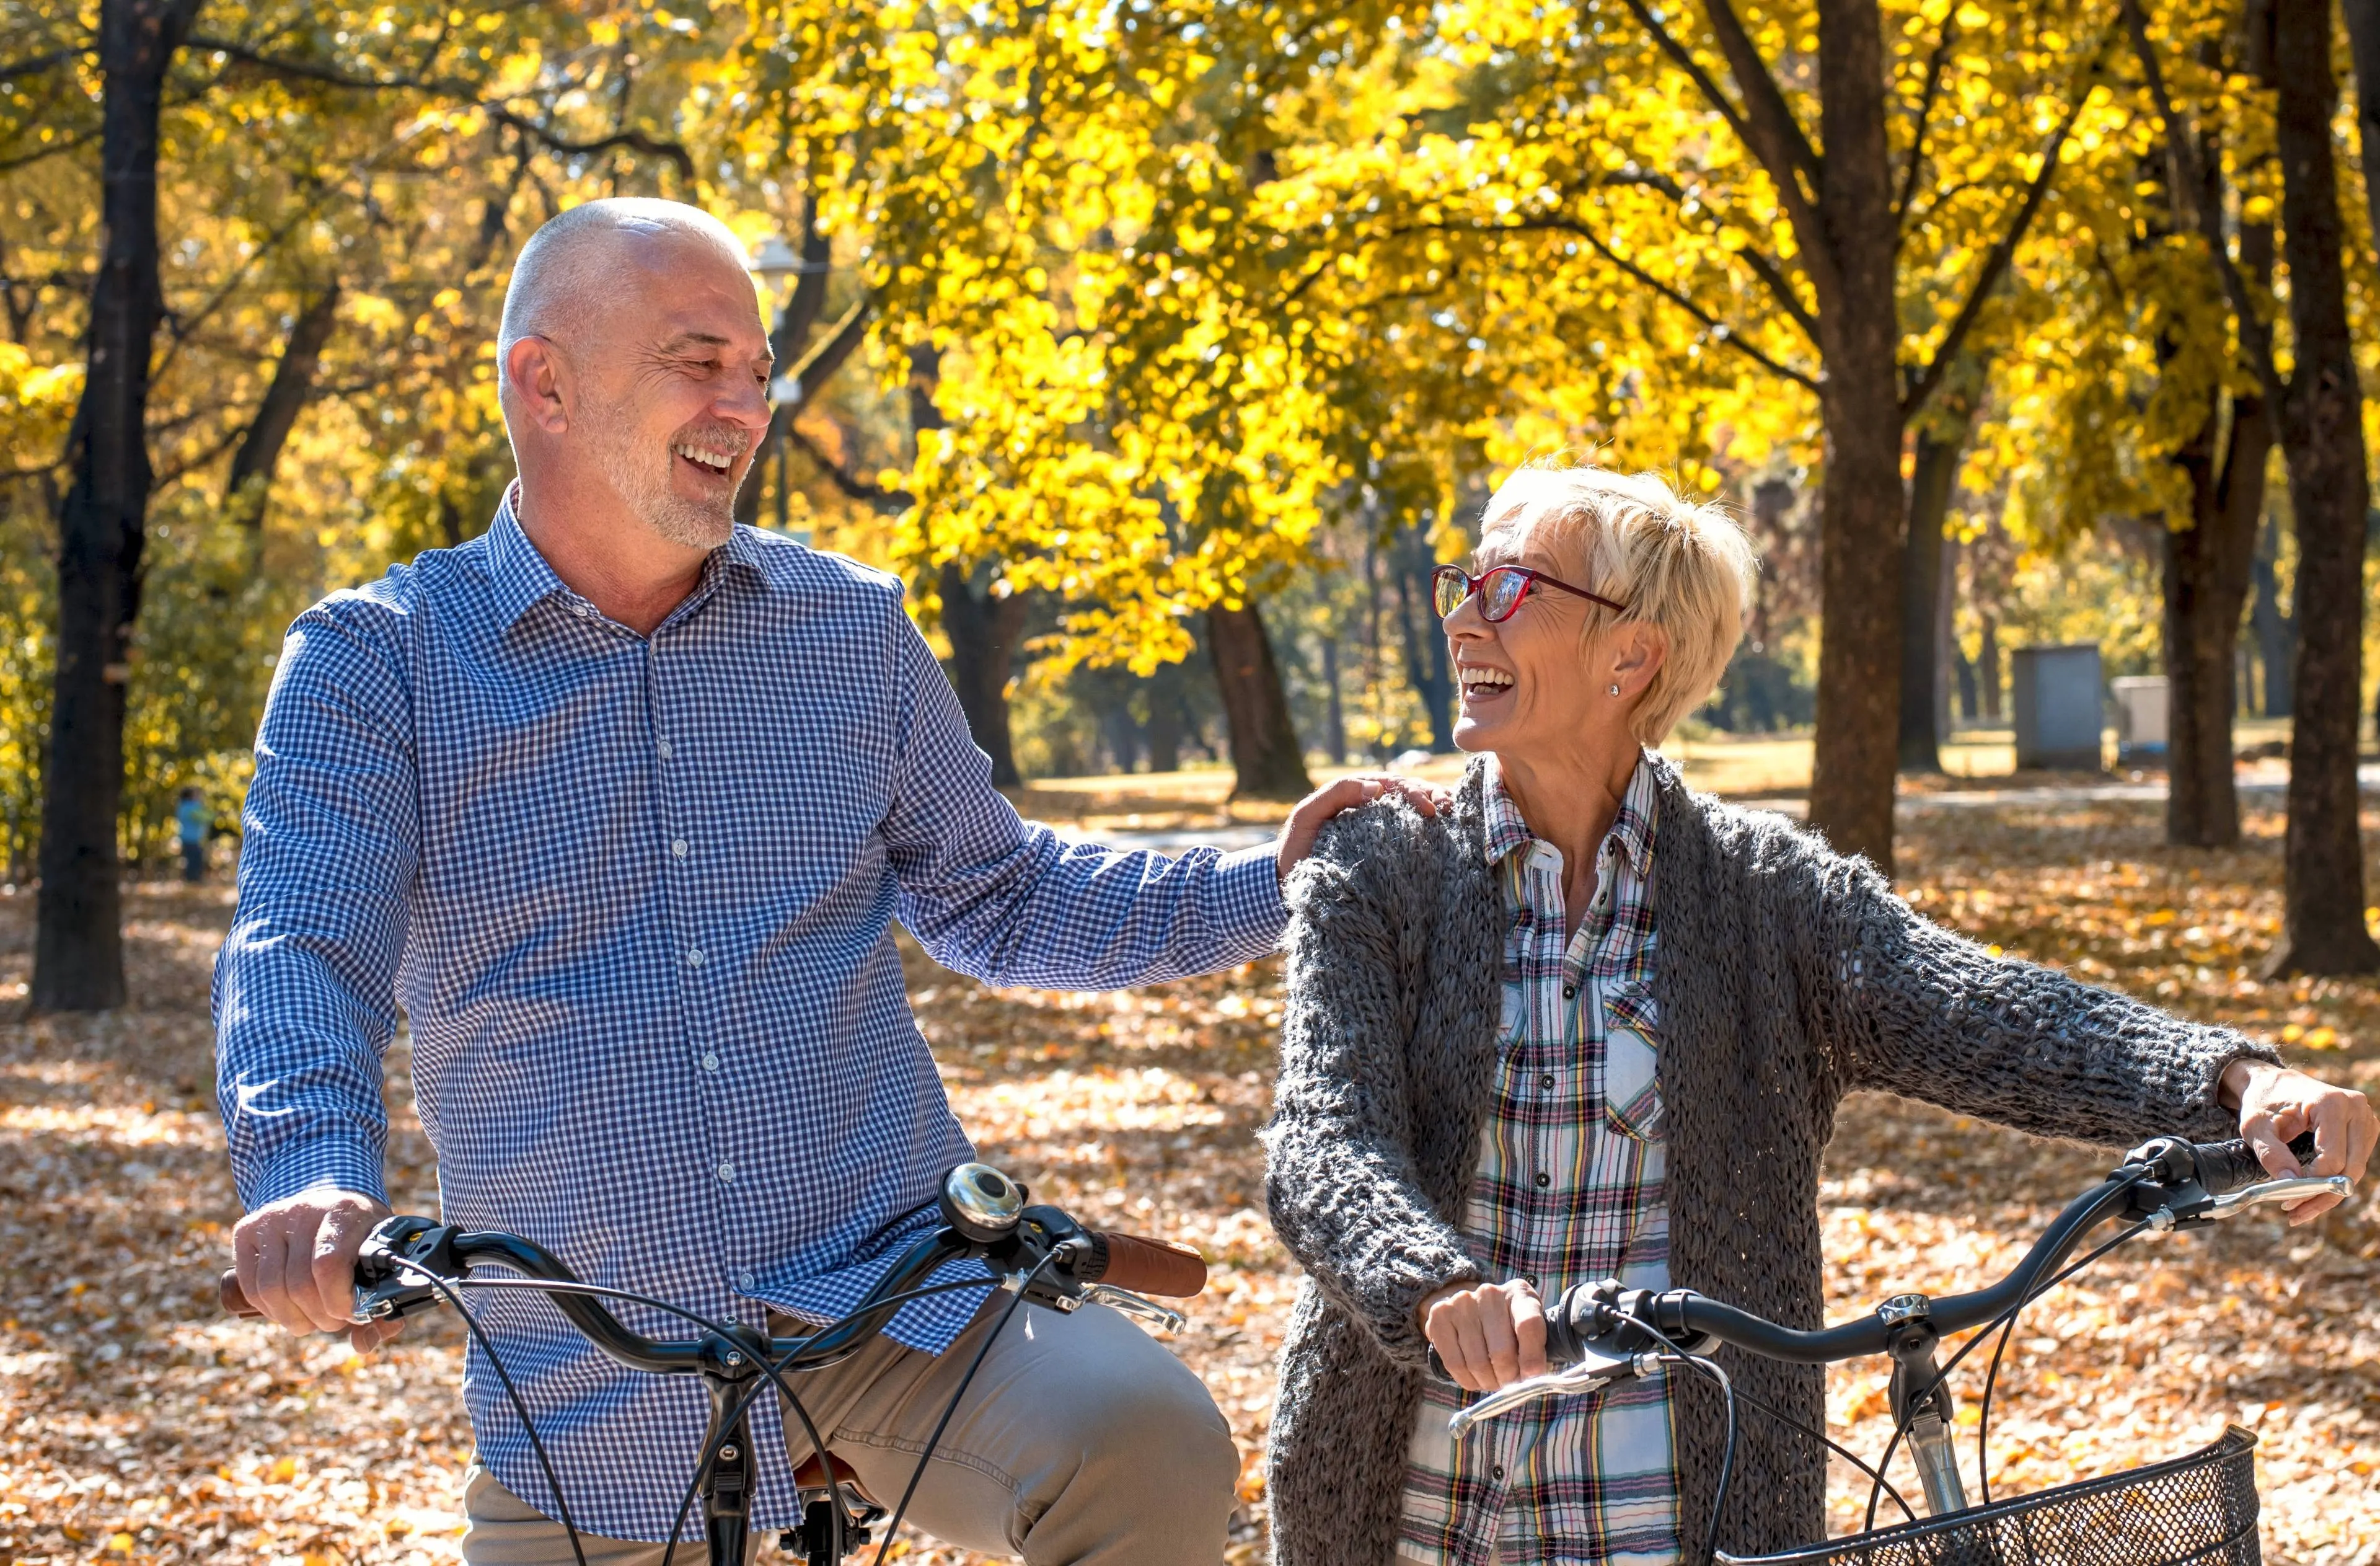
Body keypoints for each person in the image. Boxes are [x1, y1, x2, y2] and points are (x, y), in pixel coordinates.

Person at [216, 197, 1437, 1566]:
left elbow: (1001, 892)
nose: (749, 405)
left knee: (1145, 1439)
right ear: (543, 382)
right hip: (588, 1372)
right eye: (700, 359)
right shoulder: (375, 663)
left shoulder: (845, 628)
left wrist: (1277, 880)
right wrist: (309, 1171)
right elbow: (302, 950)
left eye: (758, 367)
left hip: (900, 1298)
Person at [1259, 463, 2377, 1566]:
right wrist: (1436, 1285)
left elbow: (1979, 1007)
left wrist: (2233, 1081)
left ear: (1632, 654)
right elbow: (1324, 1140)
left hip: (1680, 1516)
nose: (1465, 621)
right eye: (1465, 584)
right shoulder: (1384, 864)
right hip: (1407, 1505)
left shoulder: (1765, 895)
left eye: (1512, 589)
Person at [175, 786, 209, 883]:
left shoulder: (181, 807)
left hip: (185, 837)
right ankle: (193, 879)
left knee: (190, 859)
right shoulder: (193, 807)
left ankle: (191, 878)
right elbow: (205, 817)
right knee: (195, 859)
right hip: (192, 839)